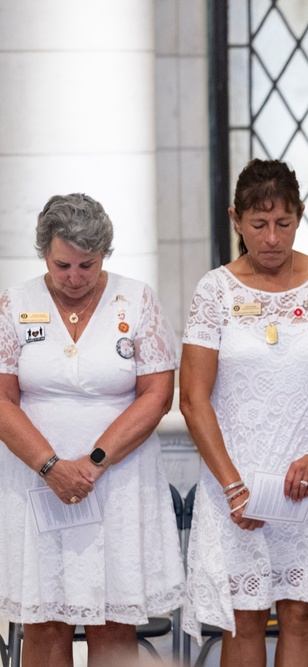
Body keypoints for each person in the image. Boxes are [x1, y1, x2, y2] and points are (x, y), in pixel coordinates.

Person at [180, 159, 308, 667]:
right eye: (259, 225)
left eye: (283, 223)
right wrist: (234, 487)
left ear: (300, 216)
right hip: (234, 480)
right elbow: (193, 400)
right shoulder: (213, 290)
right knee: (244, 616)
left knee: (302, 614)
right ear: (236, 219)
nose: (272, 238)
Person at [0, 193, 184, 667]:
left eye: (89, 265)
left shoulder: (137, 298)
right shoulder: (15, 303)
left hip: (118, 480)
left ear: (106, 255)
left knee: (114, 619)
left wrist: (93, 461)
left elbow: (158, 394)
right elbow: (2, 398)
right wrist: (51, 466)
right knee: (44, 620)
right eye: (63, 265)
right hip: (36, 479)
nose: (75, 278)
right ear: (44, 251)